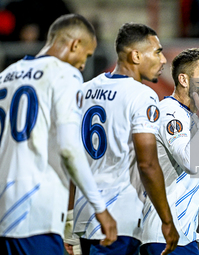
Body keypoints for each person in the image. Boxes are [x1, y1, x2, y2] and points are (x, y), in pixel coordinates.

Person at [0, 14, 117, 255]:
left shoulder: (6, 75)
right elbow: (68, 148)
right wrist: (100, 208)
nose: (84, 65)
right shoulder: (64, 73)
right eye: (85, 55)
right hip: (35, 213)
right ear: (75, 44)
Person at [72, 23, 179, 255]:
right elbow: (147, 164)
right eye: (157, 52)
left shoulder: (83, 91)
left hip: (84, 215)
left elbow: (69, 156)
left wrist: (69, 216)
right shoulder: (142, 95)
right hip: (118, 218)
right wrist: (167, 220)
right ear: (136, 55)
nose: (163, 61)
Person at [140, 48, 199, 255]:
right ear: (184, 80)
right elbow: (190, 161)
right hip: (164, 237)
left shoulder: (192, 117)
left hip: (183, 236)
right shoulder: (169, 113)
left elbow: (198, 168)